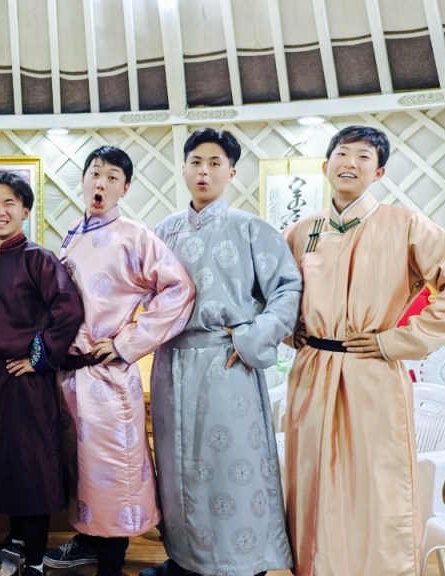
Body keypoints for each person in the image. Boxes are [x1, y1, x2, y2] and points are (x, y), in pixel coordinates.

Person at [282, 125, 445, 576]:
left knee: (373, 482)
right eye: (342, 153)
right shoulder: (302, 231)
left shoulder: (406, 225)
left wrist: (395, 341)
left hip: (371, 372)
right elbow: (275, 293)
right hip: (311, 371)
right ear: (326, 165)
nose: (350, 163)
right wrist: (289, 330)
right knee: (311, 479)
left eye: (363, 156)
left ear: (379, 172)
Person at [141, 128, 299, 576]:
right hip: (172, 362)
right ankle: (185, 560)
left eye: (215, 163)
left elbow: (287, 289)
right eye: (196, 162)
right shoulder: (163, 231)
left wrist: (251, 339)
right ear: (183, 169)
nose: (204, 171)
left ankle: (242, 563)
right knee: (178, 466)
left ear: (231, 172)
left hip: (226, 362)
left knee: (229, 466)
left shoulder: (250, 228)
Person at [43, 145, 196, 576]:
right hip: (72, 372)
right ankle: (90, 542)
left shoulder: (135, 236)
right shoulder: (73, 233)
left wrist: (128, 342)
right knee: (82, 466)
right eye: (95, 173)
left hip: (107, 373)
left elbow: (179, 290)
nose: (101, 183)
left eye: (112, 177)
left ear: (125, 188)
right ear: (83, 180)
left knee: (113, 466)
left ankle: (111, 563)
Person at [0, 172, 85, 576]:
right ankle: (16, 543)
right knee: (4, 461)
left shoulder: (38, 258)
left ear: (26, 211)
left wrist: (38, 358)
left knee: (30, 465)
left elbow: (68, 310)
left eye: (9, 203)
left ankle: (34, 561)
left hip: (24, 380)